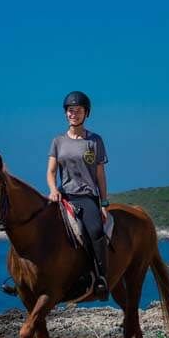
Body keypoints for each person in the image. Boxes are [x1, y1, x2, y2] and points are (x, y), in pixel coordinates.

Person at [47, 91, 110, 300]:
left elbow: (100, 174)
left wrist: (103, 202)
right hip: (64, 196)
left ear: (86, 113)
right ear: (66, 114)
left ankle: (101, 278)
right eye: (70, 111)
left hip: (86, 196)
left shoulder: (95, 141)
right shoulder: (58, 141)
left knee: (95, 231)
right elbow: (51, 172)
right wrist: (53, 190)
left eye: (78, 110)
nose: (73, 114)